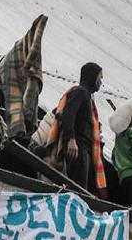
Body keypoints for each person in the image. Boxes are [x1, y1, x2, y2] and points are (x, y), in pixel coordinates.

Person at [45, 62, 107, 196]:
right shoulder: (80, 92)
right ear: (92, 77)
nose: (101, 82)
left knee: (80, 186)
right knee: (76, 188)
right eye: (100, 77)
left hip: (83, 148)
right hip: (77, 147)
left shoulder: (88, 97)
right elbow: (68, 115)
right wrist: (71, 139)